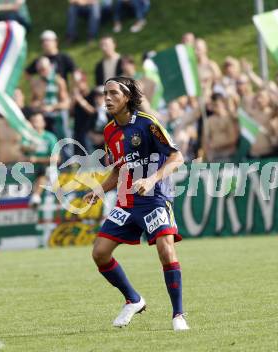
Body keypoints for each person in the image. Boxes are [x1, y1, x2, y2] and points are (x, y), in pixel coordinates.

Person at [83, 76, 189, 331]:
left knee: (166, 250)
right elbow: (119, 170)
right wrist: (99, 189)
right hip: (127, 202)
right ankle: (133, 299)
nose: (107, 99)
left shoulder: (147, 124)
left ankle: (178, 315)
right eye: (104, 94)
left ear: (128, 97)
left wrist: (152, 179)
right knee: (99, 253)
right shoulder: (109, 131)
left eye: (113, 94)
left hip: (154, 199)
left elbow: (177, 157)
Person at [30, 57, 71, 143]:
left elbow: (66, 103)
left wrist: (52, 107)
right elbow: (32, 104)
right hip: (43, 116)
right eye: (39, 70)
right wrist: (38, 106)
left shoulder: (58, 81)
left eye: (44, 69)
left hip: (57, 115)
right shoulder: (36, 83)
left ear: (50, 67)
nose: (42, 72)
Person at [25, 113, 59, 207]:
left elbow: (56, 159)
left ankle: (36, 197)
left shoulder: (50, 137)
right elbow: (20, 152)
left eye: (37, 121)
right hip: (29, 170)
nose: (35, 124)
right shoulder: (27, 137)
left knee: (45, 171)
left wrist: (37, 159)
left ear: (43, 123)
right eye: (33, 121)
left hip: (47, 170)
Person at [203, 93, 238, 162]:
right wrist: (207, 153)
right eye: (213, 104)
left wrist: (216, 145)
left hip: (227, 155)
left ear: (223, 103)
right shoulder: (209, 120)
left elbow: (233, 138)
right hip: (213, 156)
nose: (215, 106)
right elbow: (204, 139)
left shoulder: (229, 118)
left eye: (217, 104)